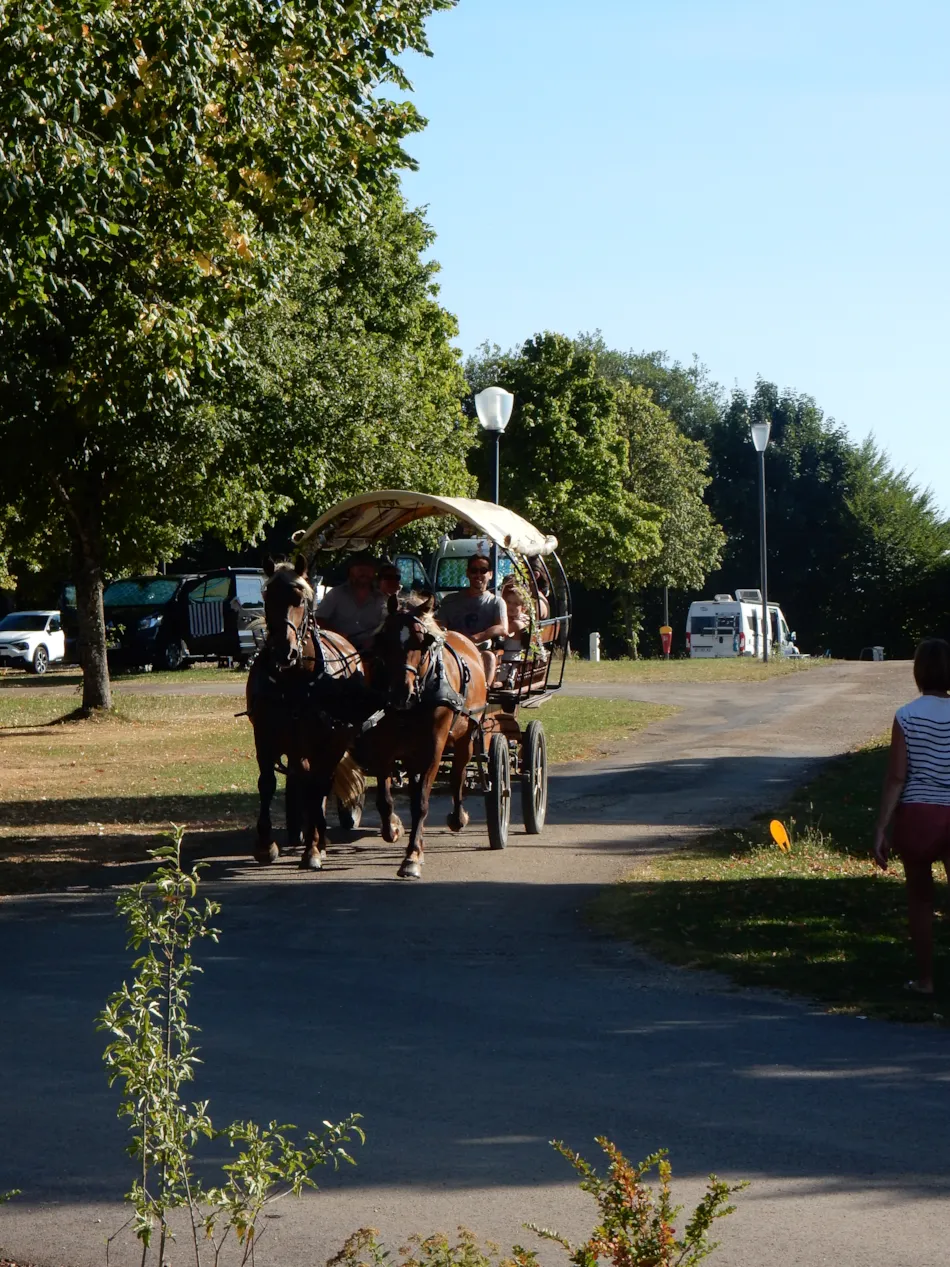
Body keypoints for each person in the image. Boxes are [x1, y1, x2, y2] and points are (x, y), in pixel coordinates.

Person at [873, 637, 950, 994]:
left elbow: (897, 777)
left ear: (918, 672)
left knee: (920, 901)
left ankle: (926, 979)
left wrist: (881, 828)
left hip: (918, 814)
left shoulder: (906, 716)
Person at [437, 554, 508, 685]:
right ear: (468, 573)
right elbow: (439, 625)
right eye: (474, 570)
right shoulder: (450, 600)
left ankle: (484, 692)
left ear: (490, 574)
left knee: (489, 657)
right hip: (451, 650)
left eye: (483, 570)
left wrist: (477, 637)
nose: (478, 575)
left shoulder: (496, 602)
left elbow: (502, 627)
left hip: (480, 651)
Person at [315, 552, 387, 655]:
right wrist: (339, 635)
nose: (364, 573)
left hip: (370, 654)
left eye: (368, 570)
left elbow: (386, 625)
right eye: (360, 570)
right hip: (337, 651)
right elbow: (318, 620)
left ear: (374, 572)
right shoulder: (336, 594)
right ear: (350, 571)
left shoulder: (381, 599)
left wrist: (374, 640)